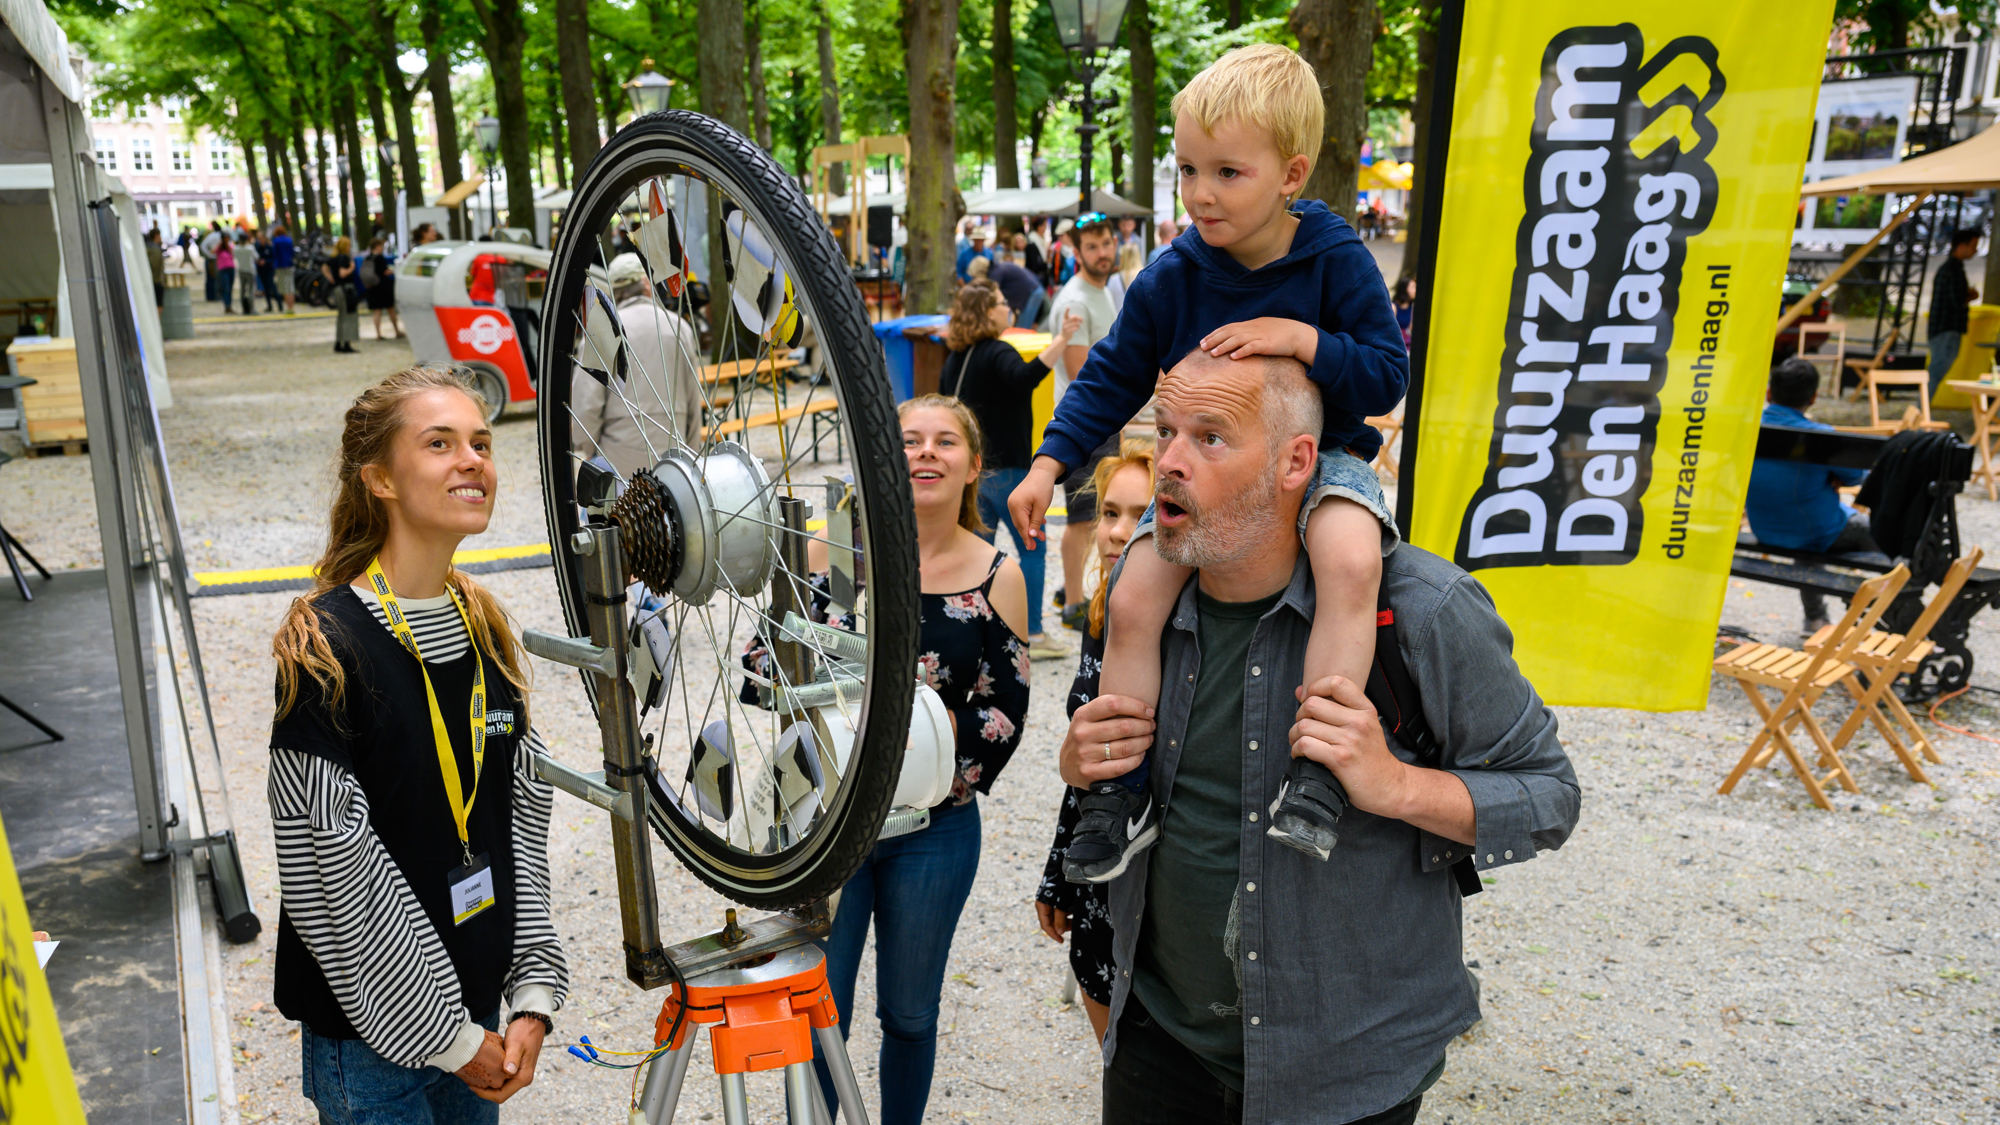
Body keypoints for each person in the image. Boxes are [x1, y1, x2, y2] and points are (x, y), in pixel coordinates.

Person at [1062, 349, 1577, 1124]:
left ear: (1297, 460)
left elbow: (1549, 794)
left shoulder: (1423, 608)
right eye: (1166, 430)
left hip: (1347, 1069)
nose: (1168, 461)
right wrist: (1081, 762)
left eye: (1210, 438)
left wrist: (1395, 782)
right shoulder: (1147, 604)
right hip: (1157, 1043)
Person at [1010, 44, 1409, 882]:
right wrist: (1050, 462)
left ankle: (1321, 767)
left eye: (1228, 172)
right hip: (1208, 475)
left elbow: (1384, 373)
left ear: (1291, 172)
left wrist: (1304, 341)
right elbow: (1115, 371)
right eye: (1188, 169)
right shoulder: (1175, 272)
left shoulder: (1333, 257)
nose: (1200, 194)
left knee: (1349, 560)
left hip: (1322, 461)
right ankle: (1120, 789)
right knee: (1134, 592)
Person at [268, 367, 569, 1122]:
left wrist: (531, 990)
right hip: (377, 1047)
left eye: (480, 442)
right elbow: (336, 869)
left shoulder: (485, 628)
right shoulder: (324, 648)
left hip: (475, 1024)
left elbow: (516, 821)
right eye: (439, 443)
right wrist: (448, 1035)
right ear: (380, 480)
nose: (472, 460)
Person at [814, 395, 1031, 1125]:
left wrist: (917, 729)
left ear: (974, 466)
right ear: (884, 452)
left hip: (935, 828)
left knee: (909, 1013)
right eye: (908, 439)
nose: (925, 452)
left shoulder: (996, 574)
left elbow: (1005, 713)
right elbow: (764, 665)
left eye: (945, 441)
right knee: (820, 1015)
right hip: (830, 822)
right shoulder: (839, 548)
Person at [1035, 438, 1155, 1043]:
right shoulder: (1101, 611)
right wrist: (1059, 873)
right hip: (1100, 874)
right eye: (1110, 513)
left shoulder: (1190, 623)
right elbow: (1088, 761)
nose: (1116, 532)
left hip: (1160, 882)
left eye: (1141, 515)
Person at [941, 279, 1085, 660]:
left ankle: (978, 630)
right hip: (1010, 473)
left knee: (980, 555)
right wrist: (1063, 339)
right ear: (987, 312)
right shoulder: (997, 351)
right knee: (1032, 551)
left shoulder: (958, 355)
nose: (1009, 307)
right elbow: (1025, 378)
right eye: (1002, 302)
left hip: (976, 476)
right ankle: (1033, 634)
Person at [1744, 357, 1876, 635]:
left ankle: (1815, 619)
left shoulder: (1747, 428)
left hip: (1766, 530)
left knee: (1811, 521)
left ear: (1769, 393)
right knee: (1887, 537)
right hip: (1816, 532)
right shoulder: (1821, 436)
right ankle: (1905, 617)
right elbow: (1856, 478)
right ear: (1814, 397)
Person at [1043, 213, 1124, 632]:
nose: (1103, 253)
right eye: (1092, 247)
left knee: (1097, 516)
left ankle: (1073, 587)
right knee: (1080, 519)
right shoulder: (1075, 299)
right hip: (1083, 424)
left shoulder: (1103, 289)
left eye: (1106, 243)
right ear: (1077, 253)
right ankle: (1073, 601)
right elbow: (1081, 372)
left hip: (1104, 424)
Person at [569, 252, 704, 475]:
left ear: (612, 291)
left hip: (618, 456)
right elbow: (693, 398)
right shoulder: (679, 327)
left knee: (594, 509)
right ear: (646, 284)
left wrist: (589, 448)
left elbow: (587, 404)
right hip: (672, 455)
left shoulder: (601, 330)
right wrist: (690, 450)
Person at [1927, 227, 1981, 397]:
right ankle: (1920, 413)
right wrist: (1969, 296)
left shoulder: (1953, 269)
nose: (1974, 250)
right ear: (1961, 246)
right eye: (1972, 246)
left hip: (1945, 328)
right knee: (1935, 372)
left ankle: (1921, 412)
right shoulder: (1951, 270)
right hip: (1946, 328)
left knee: (1936, 371)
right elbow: (1955, 301)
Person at [989, 254, 1045, 327]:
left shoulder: (996, 273)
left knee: (1022, 327)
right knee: (1021, 324)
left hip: (1033, 292)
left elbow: (994, 292)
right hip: (1034, 289)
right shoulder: (1000, 267)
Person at [327, 236, 361, 354]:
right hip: (346, 289)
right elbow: (342, 273)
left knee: (341, 316)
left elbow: (324, 268)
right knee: (348, 316)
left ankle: (339, 342)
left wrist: (331, 278)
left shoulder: (333, 258)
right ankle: (346, 343)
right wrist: (351, 268)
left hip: (337, 288)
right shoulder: (344, 258)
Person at [366, 236, 403, 339]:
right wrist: (395, 270)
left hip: (372, 287)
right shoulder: (380, 258)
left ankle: (378, 333)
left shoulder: (368, 258)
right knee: (390, 309)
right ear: (377, 246)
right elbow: (385, 271)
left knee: (377, 311)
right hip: (383, 287)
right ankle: (396, 331)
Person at [271, 223, 298, 315]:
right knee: (291, 286)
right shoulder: (289, 240)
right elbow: (292, 252)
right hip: (289, 265)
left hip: (280, 266)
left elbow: (274, 254)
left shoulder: (276, 241)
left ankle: (288, 307)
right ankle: (292, 307)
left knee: (284, 287)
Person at [255, 230, 281, 313]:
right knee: (265, 289)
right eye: (258, 239)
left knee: (272, 287)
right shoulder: (258, 248)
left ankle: (280, 304)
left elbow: (273, 258)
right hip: (261, 270)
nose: (260, 240)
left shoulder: (269, 247)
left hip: (269, 269)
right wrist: (258, 262)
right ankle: (269, 306)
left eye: (261, 238)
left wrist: (266, 261)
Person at [236, 231, 259, 315]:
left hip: (241, 270)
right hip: (250, 270)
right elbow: (256, 257)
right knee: (251, 290)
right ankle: (252, 309)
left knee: (242, 290)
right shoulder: (250, 248)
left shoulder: (236, 248)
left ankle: (244, 309)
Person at [201, 220, 224, 303]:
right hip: (213, 259)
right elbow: (203, 246)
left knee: (211, 278)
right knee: (215, 278)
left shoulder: (213, 235)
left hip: (212, 258)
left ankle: (211, 296)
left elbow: (203, 245)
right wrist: (211, 255)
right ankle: (215, 296)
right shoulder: (216, 236)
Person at [215, 234, 237, 315]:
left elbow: (233, 253)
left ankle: (229, 305)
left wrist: (228, 246)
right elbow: (213, 252)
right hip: (223, 269)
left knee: (230, 288)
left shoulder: (230, 246)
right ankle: (227, 305)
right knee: (226, 288)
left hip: (231, 268)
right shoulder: (219, 247)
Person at [1392, 277, 1416, 348]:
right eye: (1413, 287)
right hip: (1395, 344)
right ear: (1405, 289)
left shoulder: (1413, 307)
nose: (1415, 290)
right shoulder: (1393, 307)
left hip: (1407, 345)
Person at [145, 228, 166, 309]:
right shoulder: (155, 249)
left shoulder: (148, 247)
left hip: (152, 280)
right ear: (157, 236)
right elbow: (155, 265)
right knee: (159, 305)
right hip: (156, 280)